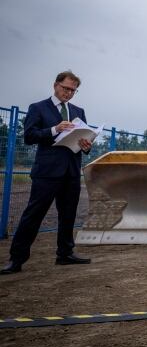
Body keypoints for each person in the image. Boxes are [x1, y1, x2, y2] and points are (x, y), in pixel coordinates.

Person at [2, 70, 93, 275]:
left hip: (71, 170)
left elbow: (85, 143)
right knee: (33, 215)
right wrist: (55, 129)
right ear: (55, 85)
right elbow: (29, 136)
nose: (68, 93)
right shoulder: (38, 108)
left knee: (68, 215)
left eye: (73, 91)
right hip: (47, 172)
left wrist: (86, 145)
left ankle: (65, 254)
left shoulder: (79, 111)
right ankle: (16, 259)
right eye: (66, 88)